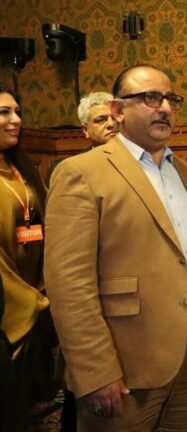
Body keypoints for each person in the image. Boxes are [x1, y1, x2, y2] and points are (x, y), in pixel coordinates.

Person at [45, 65, 187, 431]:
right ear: (118, 111)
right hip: (124, 364)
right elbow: (69, 286)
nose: (163, 107)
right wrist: (95, 372)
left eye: (170, 99)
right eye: (150, 98)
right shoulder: (81, 173)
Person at [0, 85, 57, 432]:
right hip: (10, 308)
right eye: (4, 112)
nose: (15, 120)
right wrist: (27, 300)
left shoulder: (23, 169)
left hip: (38, 298)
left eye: (17, 111)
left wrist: (44, 288)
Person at [46, 91, 118, 186]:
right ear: (85, 130)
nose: (111, 124)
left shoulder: (139, 159)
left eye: (115, 118)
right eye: (101, 120)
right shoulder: (67, 169)